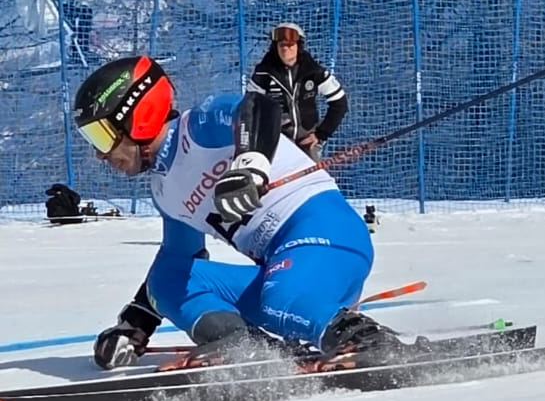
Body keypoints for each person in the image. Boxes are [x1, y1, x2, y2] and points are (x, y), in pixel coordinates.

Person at [77, 54, 396, 371]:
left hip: (329, 238)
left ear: (139, 115)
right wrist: (137, 320)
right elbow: (180, 258)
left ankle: (366, 341)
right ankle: (243, 346)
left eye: (102, 136)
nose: (101, 154)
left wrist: (251, 164)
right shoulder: (163, 190)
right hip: (281, 271)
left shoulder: (199, 126)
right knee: (165, 278)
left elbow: (260, 107)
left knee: (279, 298)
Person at [250, 22, 348, 159]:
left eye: (290, 45)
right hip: (277, 143)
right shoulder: (263, 74)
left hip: (307, 142)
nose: (285, 49)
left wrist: (321, 134)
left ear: (299, 46)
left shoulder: (314, 72)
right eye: (281, 45)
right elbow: (249, 109)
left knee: (313, 172)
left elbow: (340, 103)